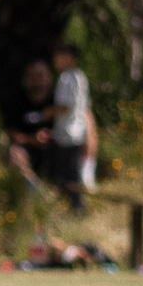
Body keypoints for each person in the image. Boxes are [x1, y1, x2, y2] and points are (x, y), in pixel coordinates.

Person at [47, 44, 90, 211]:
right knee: (70, 170)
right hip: (74, 130)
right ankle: (73, 204)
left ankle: (76, 206)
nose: (55, 61)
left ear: (69, 57)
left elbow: (65, 106)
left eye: (58, 57)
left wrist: (46, 113)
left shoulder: (67, 78)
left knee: (69, 172)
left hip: (68, 131)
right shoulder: (79, 76)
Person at [3, 59, 54, 189]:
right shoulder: (17, 102)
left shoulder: (57, 99)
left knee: (86, 117)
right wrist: (33, 139)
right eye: (32, 76)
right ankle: (33, 188)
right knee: (11, 151)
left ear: (49, 78)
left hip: (57, 149)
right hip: (28, 151)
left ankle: (86, 174)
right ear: (25, 80)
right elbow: (12, 135)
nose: (37, 80)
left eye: (41, 75)